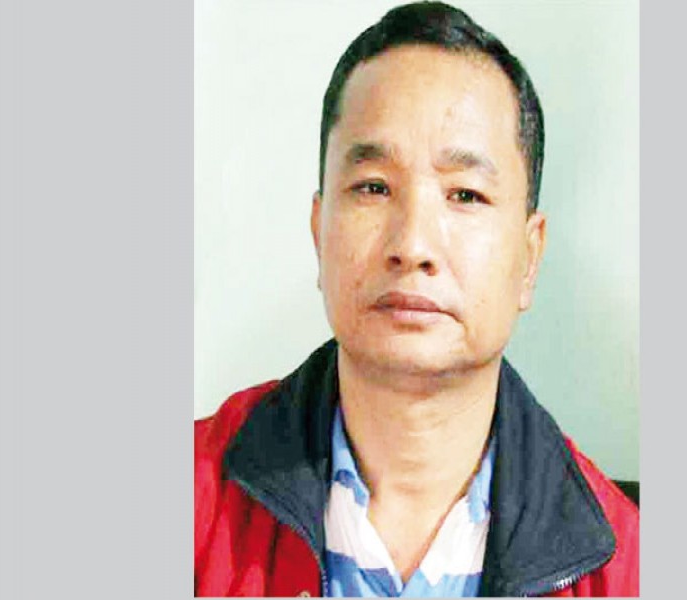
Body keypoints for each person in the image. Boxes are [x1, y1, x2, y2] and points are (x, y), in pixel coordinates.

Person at [194, 2, 639, 596]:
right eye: (374, 187)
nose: (413, 245)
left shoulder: (626, 567)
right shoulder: (195, 500)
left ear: (529, 257)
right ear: (319, 232)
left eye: (465, 195)